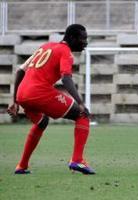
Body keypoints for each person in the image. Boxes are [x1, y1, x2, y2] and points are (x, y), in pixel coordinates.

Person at [7, 24, 95, 175]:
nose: (85, 42)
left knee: (42, 122)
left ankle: (21, 166)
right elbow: (66, 78)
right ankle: (77, 160)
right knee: (82, 115)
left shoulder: (46, 46)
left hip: (22, 94)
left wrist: (15, 100)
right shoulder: (65, 52)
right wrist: (80, 103)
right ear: (72, 38)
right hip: (39, 92)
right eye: (83, 38)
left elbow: (20, 70)